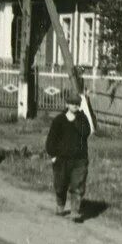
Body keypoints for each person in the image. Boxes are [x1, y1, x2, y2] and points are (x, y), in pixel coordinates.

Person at [45, 91, 92, 221]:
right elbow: (51, 139)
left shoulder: (82, 119)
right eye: (72, 103)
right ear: (67, 104)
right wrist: (52, 155)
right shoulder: (59, 120)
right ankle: (60, 204)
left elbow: (86, 133)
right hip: (61, 159)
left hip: (79, 159)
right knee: (60, 185)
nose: (75, 106)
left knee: (78, 185)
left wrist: (77, 119)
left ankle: (75, 211)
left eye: (77, 104)